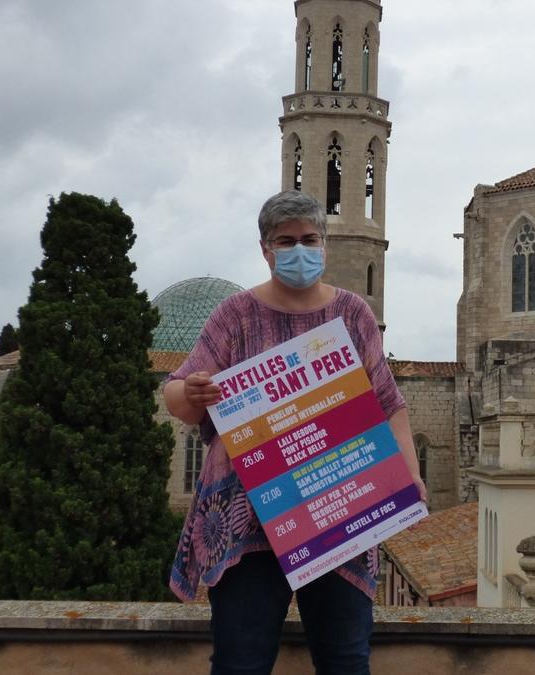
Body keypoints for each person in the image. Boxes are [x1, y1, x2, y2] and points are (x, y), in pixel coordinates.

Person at [163, 190, 426, 675]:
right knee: (240, 664)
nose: (299, 250)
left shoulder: (352, 314)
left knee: (346, 661)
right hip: (248, 527)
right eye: (286, 241)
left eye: (309, 239)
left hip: (339, 512)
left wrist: (407, 477)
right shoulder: (234, 315)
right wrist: (192, 393)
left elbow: (390, 406)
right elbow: (176, 394)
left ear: (323, 245)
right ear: (266, 249)